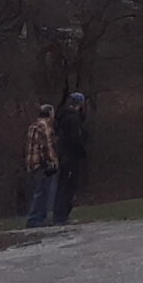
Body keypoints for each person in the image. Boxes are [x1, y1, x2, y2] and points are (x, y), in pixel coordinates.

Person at [53, 92, 90, 223]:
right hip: (71, 156)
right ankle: (61, 216)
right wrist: (83, 151)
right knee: (69, 185)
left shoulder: (62, 117)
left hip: (63, 155)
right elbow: (75, 138)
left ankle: (58, 214)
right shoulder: (73, 119)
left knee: (62, 184)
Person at [24, 102, 59, 227]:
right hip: (42, 164)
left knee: (39, 190)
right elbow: (46, 147)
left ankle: (38, 218)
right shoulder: (45, 126)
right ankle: (35, 219)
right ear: (50, 113)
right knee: (43, 192)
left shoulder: (33, 125)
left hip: (32, 162)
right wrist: (52, 162)